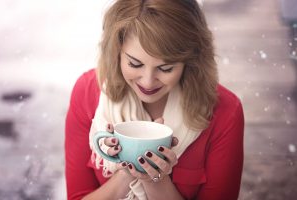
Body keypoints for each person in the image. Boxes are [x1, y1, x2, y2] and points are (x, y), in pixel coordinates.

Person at [65, 0, 244, 199]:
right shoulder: (88, 92)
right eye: (134, 64)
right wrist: (127, 170)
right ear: (116, 51)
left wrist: (154, 181)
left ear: (191, 60)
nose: (148, 82)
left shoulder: (225, 111)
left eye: (166, 68)